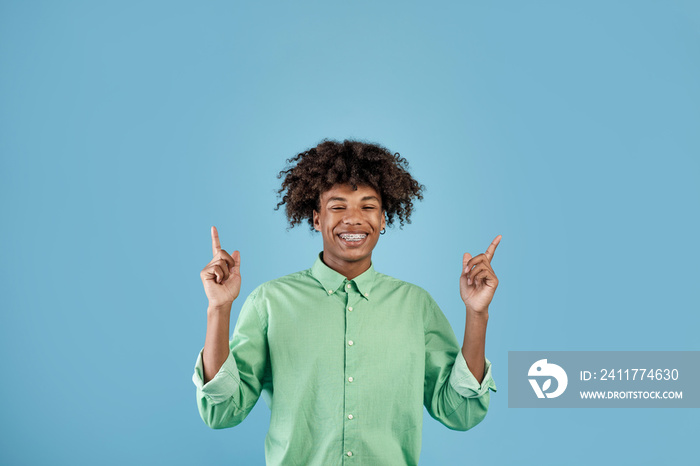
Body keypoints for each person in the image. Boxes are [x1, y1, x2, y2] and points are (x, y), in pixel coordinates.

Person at [192, 139, 500, 465]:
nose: (353, 219)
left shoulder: (416, 305)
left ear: (383, 219)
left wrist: (477, 313)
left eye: (368, 207)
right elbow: (221, 412)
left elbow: (461, 413)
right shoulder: (270, 302)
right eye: (338, 206)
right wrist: (218, 309)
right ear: (315, 218)